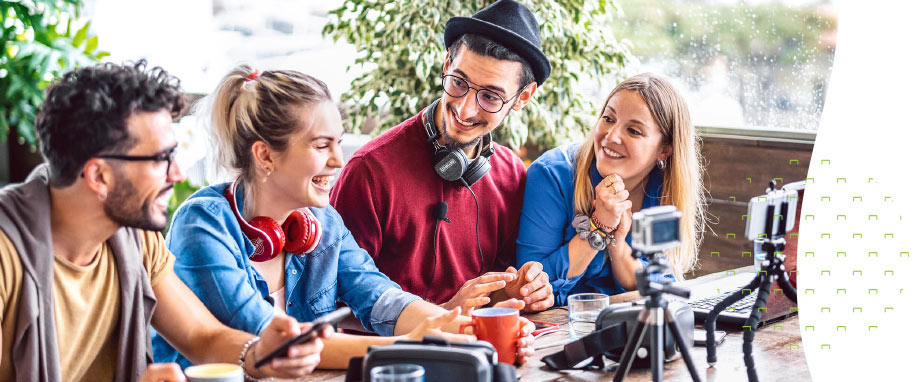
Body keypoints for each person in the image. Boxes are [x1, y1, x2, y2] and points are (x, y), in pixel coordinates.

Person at [153, 66, 536, 370]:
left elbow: (380, 297)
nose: (338, 161)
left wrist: (470, 331)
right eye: (322, 146)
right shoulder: (202, 225)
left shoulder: (322, 222)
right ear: (265, 155)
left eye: (338, 142)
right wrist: (413, 344)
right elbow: (274, 342)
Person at [0, 61, 328, 382]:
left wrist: (260, 353)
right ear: (99, 176)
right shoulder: (6, 254)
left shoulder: (134, 236)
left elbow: (201, 336)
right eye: (160, 159)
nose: (177, 174)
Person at [330, 0, 554, 314]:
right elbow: (336, 303)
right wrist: (444, 314)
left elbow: (495, 296)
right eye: (459, 83)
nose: (464, 109)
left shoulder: (512, 175)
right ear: (447, 63)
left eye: (490, 96)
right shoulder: (370, 172)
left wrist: (520, 292)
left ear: (523, 97)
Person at [516, 73, 707, 306]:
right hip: (559, 323)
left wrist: (617, 244)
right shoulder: (552, 174)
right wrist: (599, 227)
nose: (611, 136)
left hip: (629, 319)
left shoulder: (665, 189)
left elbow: (657, 283)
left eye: (633, 131)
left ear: (664, 150)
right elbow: (530, 284)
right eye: (608, 119)